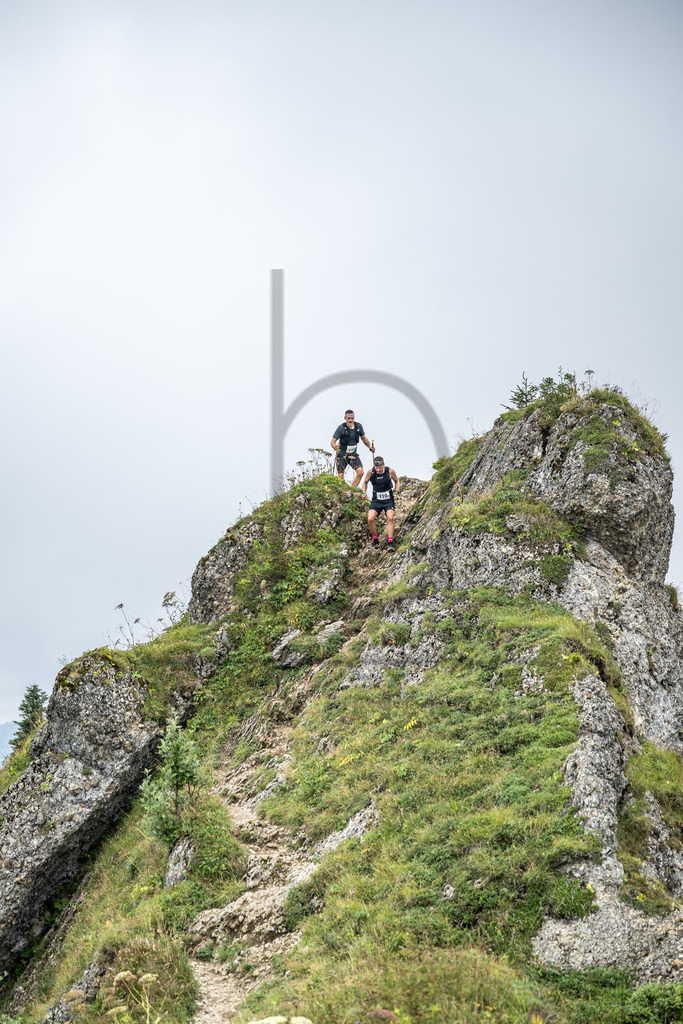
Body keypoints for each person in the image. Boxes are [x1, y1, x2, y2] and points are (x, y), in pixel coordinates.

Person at [363, 455, 400, 549]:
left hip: (388, 500)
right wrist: (364, 493)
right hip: (376, 500)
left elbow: (397, 482)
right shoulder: (370, 472)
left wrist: (396, 492)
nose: (378, 470)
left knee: (390, 518)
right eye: (377, 468)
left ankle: (390, 543)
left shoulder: (390, 471)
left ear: (383, 465)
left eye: (380, 467)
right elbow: (364, 482)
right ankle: (375, 541)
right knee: (370, 519)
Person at [330, 410, 375, 488]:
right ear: (345, 418)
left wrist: (370, 447)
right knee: (340, 476)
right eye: (348, 418)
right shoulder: (341, 427)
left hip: (353, 454)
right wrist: (335, 447)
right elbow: (333, 441)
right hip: (342, 453)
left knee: (360, 472)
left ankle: (351, 490)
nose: (350, 420)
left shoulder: (358, 426)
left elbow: (364, 438)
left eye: (352, 418)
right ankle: (341, 491)